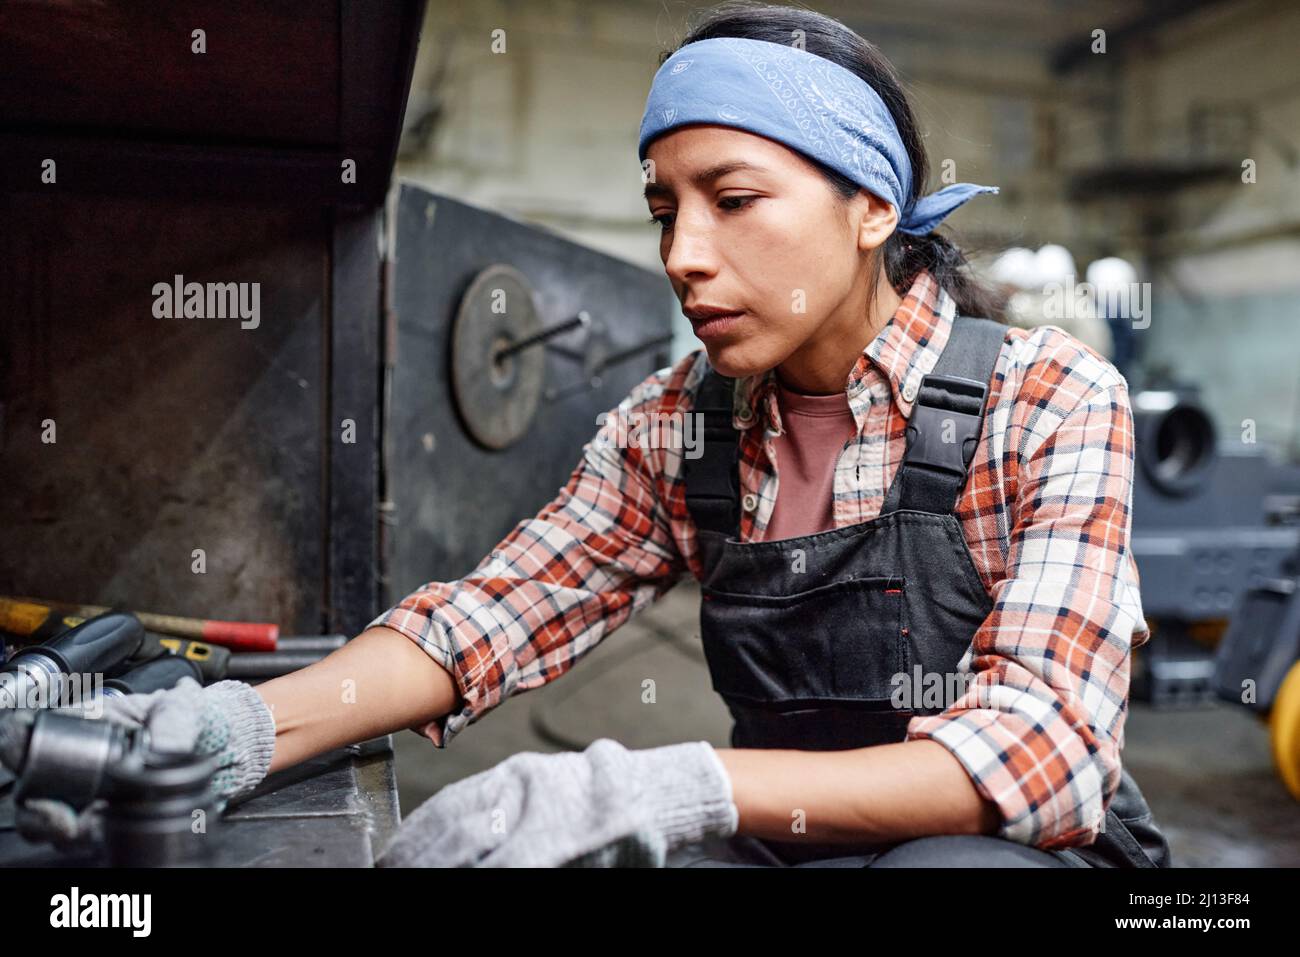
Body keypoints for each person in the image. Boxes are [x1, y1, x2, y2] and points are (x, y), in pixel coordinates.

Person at [17, 3, 1170, 868]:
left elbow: (1044, 758)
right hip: (788, 840)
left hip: (1019, 852)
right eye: (664, 210)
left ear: (872, 207)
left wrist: (664, 784)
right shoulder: (681, 423)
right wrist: (241, 728)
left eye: (733, 198)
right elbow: (494, 615)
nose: (682, 256)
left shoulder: (1048, 400)